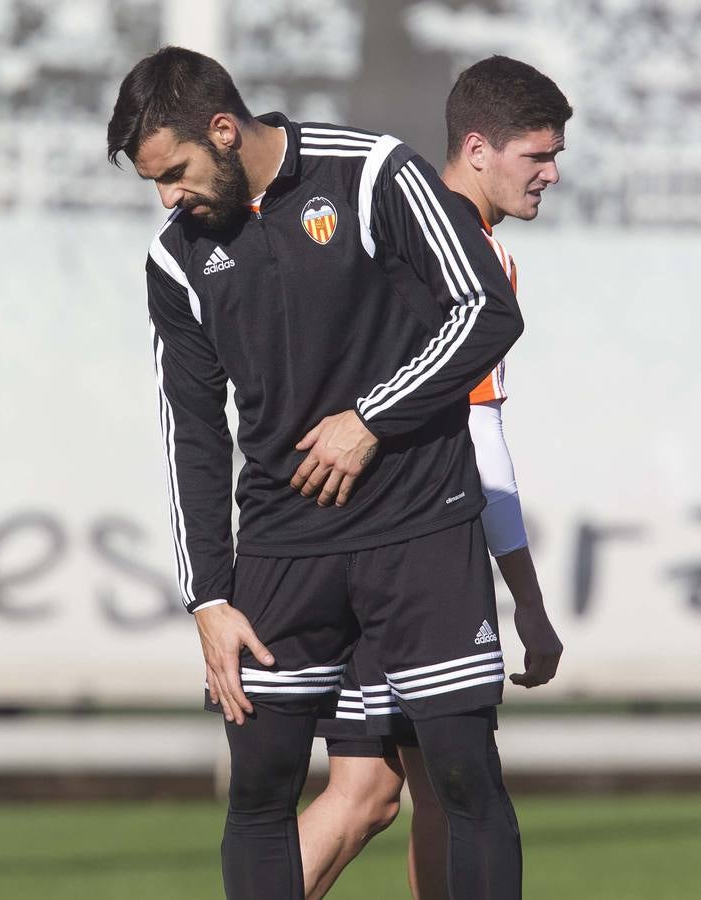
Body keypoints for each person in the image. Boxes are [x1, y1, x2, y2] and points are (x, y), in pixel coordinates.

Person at [108, 47, 526, 900]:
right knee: (259, 792)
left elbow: (486, 308)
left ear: (224, 130)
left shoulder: (371, 172)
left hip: (420, 527)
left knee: (461, 778)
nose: (167, 198)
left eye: (176, 172)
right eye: (153, 182)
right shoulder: (175, 258)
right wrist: (208, 599)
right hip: (281, 550)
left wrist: (369, 418)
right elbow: (191, 432)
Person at [300, 56, 572, 900]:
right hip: (413, 552)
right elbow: (479, 440)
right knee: (457, 789)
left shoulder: (384, 228)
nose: (551, 173)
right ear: (477, 148)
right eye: (536, 155)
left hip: (324, 534)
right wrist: (525, 599)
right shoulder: (470, 255)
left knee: (367, 791)